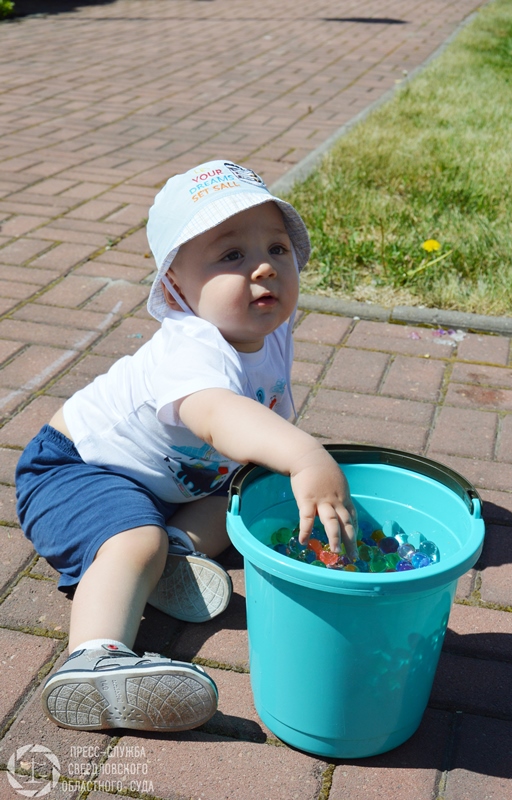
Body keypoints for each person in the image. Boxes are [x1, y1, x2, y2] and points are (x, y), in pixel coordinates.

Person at [15, 159, 356, 734]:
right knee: (135, 540)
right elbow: (219, 415)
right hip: (77, 469)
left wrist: (284, 463)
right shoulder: (190, 346)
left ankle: (174, 555)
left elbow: (259, 414)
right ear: (176, 284)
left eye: (277, 248)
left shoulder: (269, 330)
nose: (265, 268)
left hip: (172, 480)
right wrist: (304, 456)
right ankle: (94, 658)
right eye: (232, 256)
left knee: (246, 499)